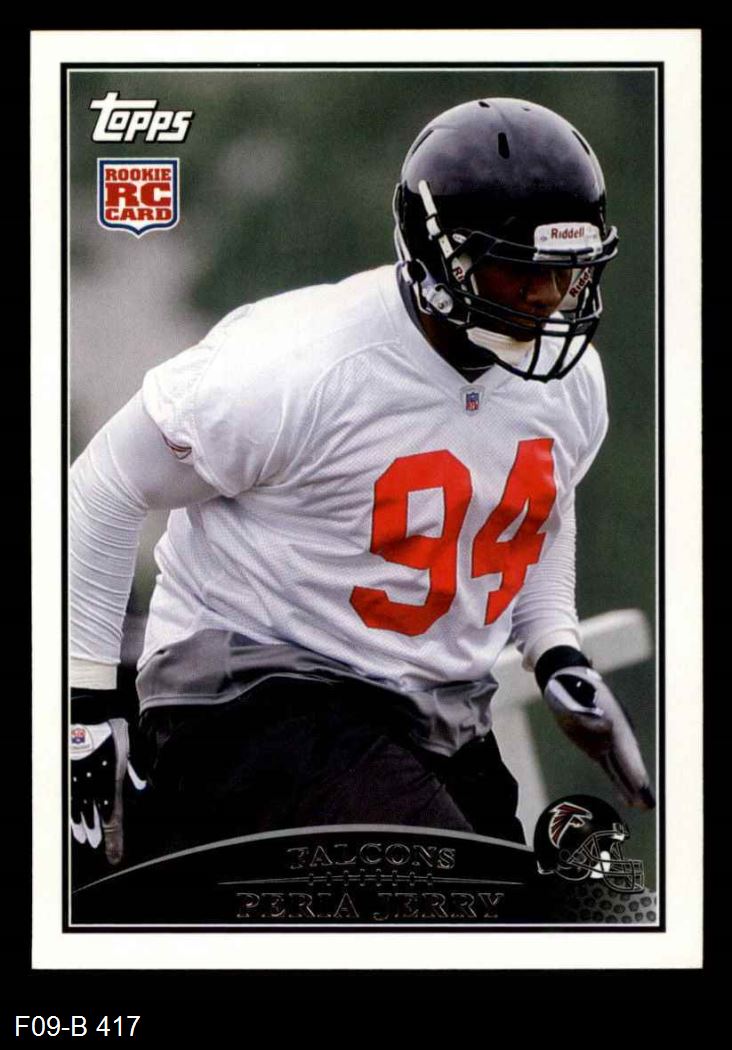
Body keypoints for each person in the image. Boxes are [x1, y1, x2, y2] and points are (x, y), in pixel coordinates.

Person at [69, 98, 654, 870]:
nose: (548, 297)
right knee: (453, 901)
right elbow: (103, 484)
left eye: (567, 270)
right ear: (438, 255)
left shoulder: (570, 383)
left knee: (518, 911)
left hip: (433, 715)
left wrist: (556, 652)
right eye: (521, 267)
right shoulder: (296, 364)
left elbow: (534, 508)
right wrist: (86, 708)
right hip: (256, 695)